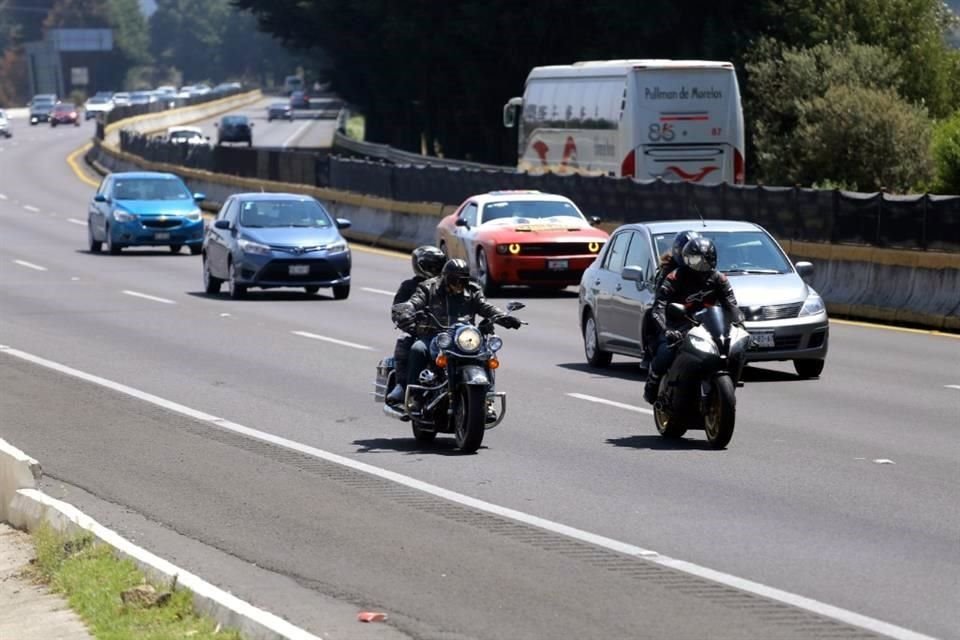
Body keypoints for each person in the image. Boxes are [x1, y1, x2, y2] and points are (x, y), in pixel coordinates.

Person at [392, 258, 522, 411]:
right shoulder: (429, 287)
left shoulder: (473, 290)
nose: (459, 284)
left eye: (463, 280)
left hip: (463, 337)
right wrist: (407, 311)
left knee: (487, 355)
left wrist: (503, 317)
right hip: (435, 334)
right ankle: (415, 397)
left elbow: (485, 306)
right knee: (418, 349)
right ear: (446, 277)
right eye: (455, 280)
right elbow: (414, 302)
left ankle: (487, 402)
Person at [643, 236, 744, 404]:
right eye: (696, 259)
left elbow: (732, 305)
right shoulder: (675, 277)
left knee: (734, 350)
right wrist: (666, 330)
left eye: (705, 260)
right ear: (686, 258)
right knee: (666, 351)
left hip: (709, 324)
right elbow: (659, 306)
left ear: (713, 259)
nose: (700, 264)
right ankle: (653, 381)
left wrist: (741, 325)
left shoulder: (720, 279)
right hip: (678, 323)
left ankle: (724, 387)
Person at [385, 245, 447, 406]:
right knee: (405, 341)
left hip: (448, 332)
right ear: (420, 265)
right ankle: (403, 387)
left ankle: (485, 398)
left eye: (439, 265)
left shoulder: (447, 284)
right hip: (421, 330)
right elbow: (398, 308)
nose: (436, 269)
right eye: (431, 265)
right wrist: (405, 319)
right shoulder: (409, 286)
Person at [641, 229, 702, 365]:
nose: (691, 258)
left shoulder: (706, 270)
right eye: (688, 253)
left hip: (699, 314)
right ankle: (650, 352)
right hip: (674, 315)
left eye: (695, 254)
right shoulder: (667, 272)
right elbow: (661, 298)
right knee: (650, 313)